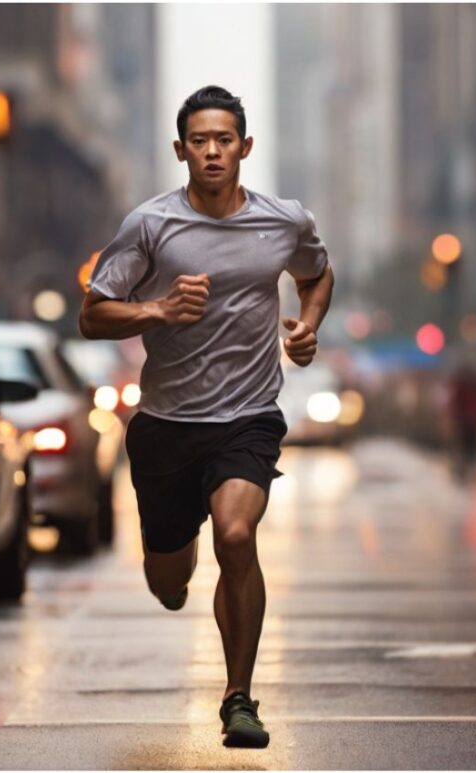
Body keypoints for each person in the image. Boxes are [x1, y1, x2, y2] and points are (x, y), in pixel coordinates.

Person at [78, 85, 334, 748]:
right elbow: (93, 312)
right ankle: (170, 556)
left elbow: (317, 272)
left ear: (245, 147)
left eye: (224, 140)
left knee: (238, 535)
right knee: (170, 579)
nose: (213, 151)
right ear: (180, 149)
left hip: (247, 416)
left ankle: (239, 697)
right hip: (166, 425)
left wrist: (306, 326)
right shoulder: (151, 225)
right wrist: (158, 310)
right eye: (200, 140)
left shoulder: (283, 221)